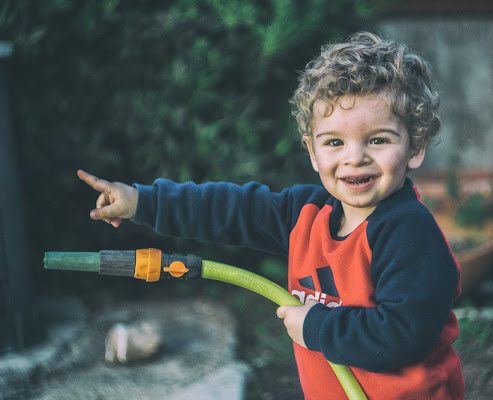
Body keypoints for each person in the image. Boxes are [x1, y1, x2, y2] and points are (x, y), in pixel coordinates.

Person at [78, 32, 464, 399]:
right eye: (334, 142)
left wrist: (316, 327)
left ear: (415, 147)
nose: (354, 156)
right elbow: (227, 211)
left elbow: (403, 335)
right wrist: (144, 202)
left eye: (378, 139)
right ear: (312, 153)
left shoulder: (409, 233)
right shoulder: (306, 215)